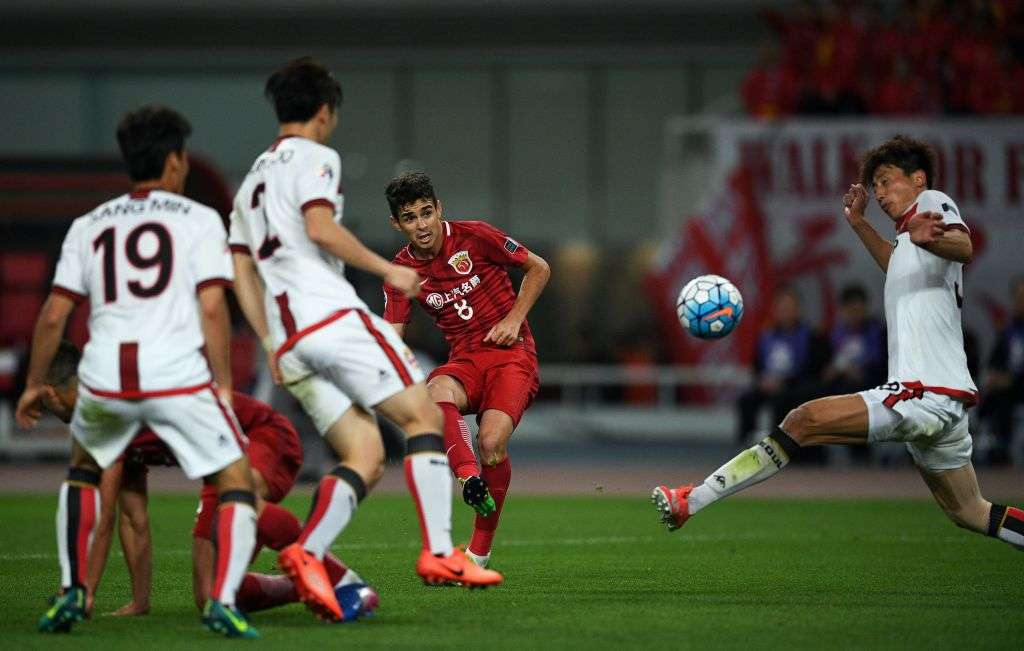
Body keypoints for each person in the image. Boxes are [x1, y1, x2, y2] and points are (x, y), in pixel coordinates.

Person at [652, 134, 1024, 551]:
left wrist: (932, 237)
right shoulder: (907, 242)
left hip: (923, 392)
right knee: (969, 511)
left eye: (885, 181)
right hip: (945, 401)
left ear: (917, 179)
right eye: (876, 185)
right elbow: (896, 264)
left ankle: (692, 499)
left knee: (802, 421)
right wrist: (862, 224)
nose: (879, 193)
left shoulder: (931, 203)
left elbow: (964, 245)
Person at [228, 57, 502, 620]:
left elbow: (239, 268)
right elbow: (321, 228)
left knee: (366, 453)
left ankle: (307, 550)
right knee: (424, 416)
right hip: (331, 319)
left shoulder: (250, 181)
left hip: (291, 340)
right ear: (325, 112)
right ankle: (442, 552)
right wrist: (390, 270)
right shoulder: (317, 157)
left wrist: (269, 343)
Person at [16, 106, 261, 638]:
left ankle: (72, 590)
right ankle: (222, 600)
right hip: (175, 373)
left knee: (82, 470)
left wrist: (35, 383)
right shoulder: (199, 220)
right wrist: (221, 382)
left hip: (104, 375)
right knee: (235, 477)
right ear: (176, 161)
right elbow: (214, 307)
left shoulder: (89, 225)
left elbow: (55, 313)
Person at [36, 340, 378, 621]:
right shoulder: (110, 419)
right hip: (218, 460)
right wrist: (140, 602)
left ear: (50, 394)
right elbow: (132, 519)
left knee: (241, 505)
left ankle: (344, 582)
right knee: (208, 594)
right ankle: (301, 584)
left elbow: (103, 513)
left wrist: (85, 593)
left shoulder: (107, 414)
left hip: (257, 434)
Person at [382, 172, 550, 568]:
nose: (421, 225)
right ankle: (468, 478)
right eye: (410, 217)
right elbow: (391, 337)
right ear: (397, 224)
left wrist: (514, 318)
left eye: (426, 212)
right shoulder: (402, 272)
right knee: (434, 388)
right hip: (465, 359)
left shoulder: (475, 236)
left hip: (512, 355)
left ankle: (478, 553)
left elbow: (539, 268)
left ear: (439, 208)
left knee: (491, 444)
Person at [735, 285, 828, 447]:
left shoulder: (810, 336)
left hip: (795, 385)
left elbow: (813, 368)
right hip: (768, 383)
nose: (785, 312)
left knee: (784, 400)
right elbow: (756, 366)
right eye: (782, 308)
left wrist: (785, 382)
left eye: (789, 308)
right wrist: (762, 381)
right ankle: (745, 447)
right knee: (746, 401)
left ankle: (780, 448)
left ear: (798, 309)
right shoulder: (766, 335)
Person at [979, 278, 1024, 462]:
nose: (1021, 302)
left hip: (1019, 387)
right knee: (989, 399)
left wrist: (1012, 380)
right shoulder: (1008, 331)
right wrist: (993, 376)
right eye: (1018, 297)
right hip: (1006, 392)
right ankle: (994, 449)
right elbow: (993, 362)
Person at [821, 283, 886, 396]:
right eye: (850, 310)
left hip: (870, 381)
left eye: (857, 310)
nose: (854, 314)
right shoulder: (836, 334)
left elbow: (880, 363)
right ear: (843, 310)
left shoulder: (878, 332)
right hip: (842, 380)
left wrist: (861, 370)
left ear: (865, 307)